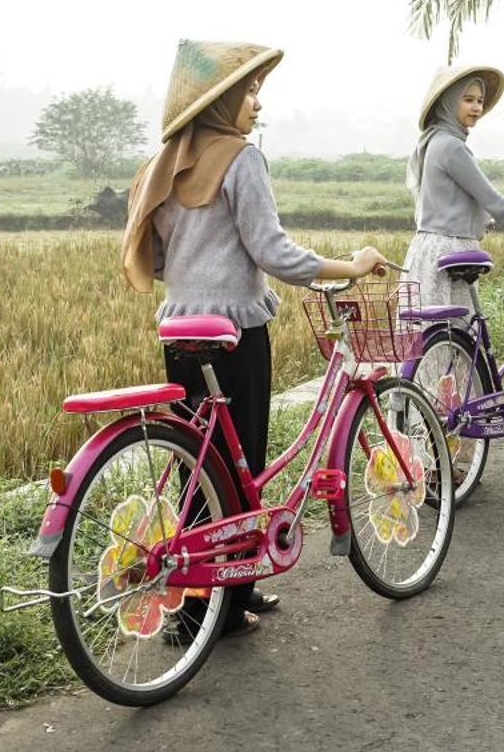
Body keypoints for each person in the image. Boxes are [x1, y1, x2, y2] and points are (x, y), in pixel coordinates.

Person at [123, 39, 382, 639]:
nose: (257, 104)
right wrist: (349, 264)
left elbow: (155, 257)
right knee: (241, 467)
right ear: (221, 101)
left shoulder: (164, 163)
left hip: (180, 328)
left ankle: (219, 596)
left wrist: (198, 266)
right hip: (236, 331)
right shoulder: (241, 160)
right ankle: (214, 607)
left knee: (198, 467)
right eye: (249, 92)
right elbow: (274, 253)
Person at [403, 63, 504, 307]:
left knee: (436, 337)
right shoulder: (452, 147)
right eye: (468, 100)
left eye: (479, 100)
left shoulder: (434, 140)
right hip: (451, 249)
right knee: (456, 334)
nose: (477, 107)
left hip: (427, 250)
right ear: (449, 102)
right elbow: (492, 199)